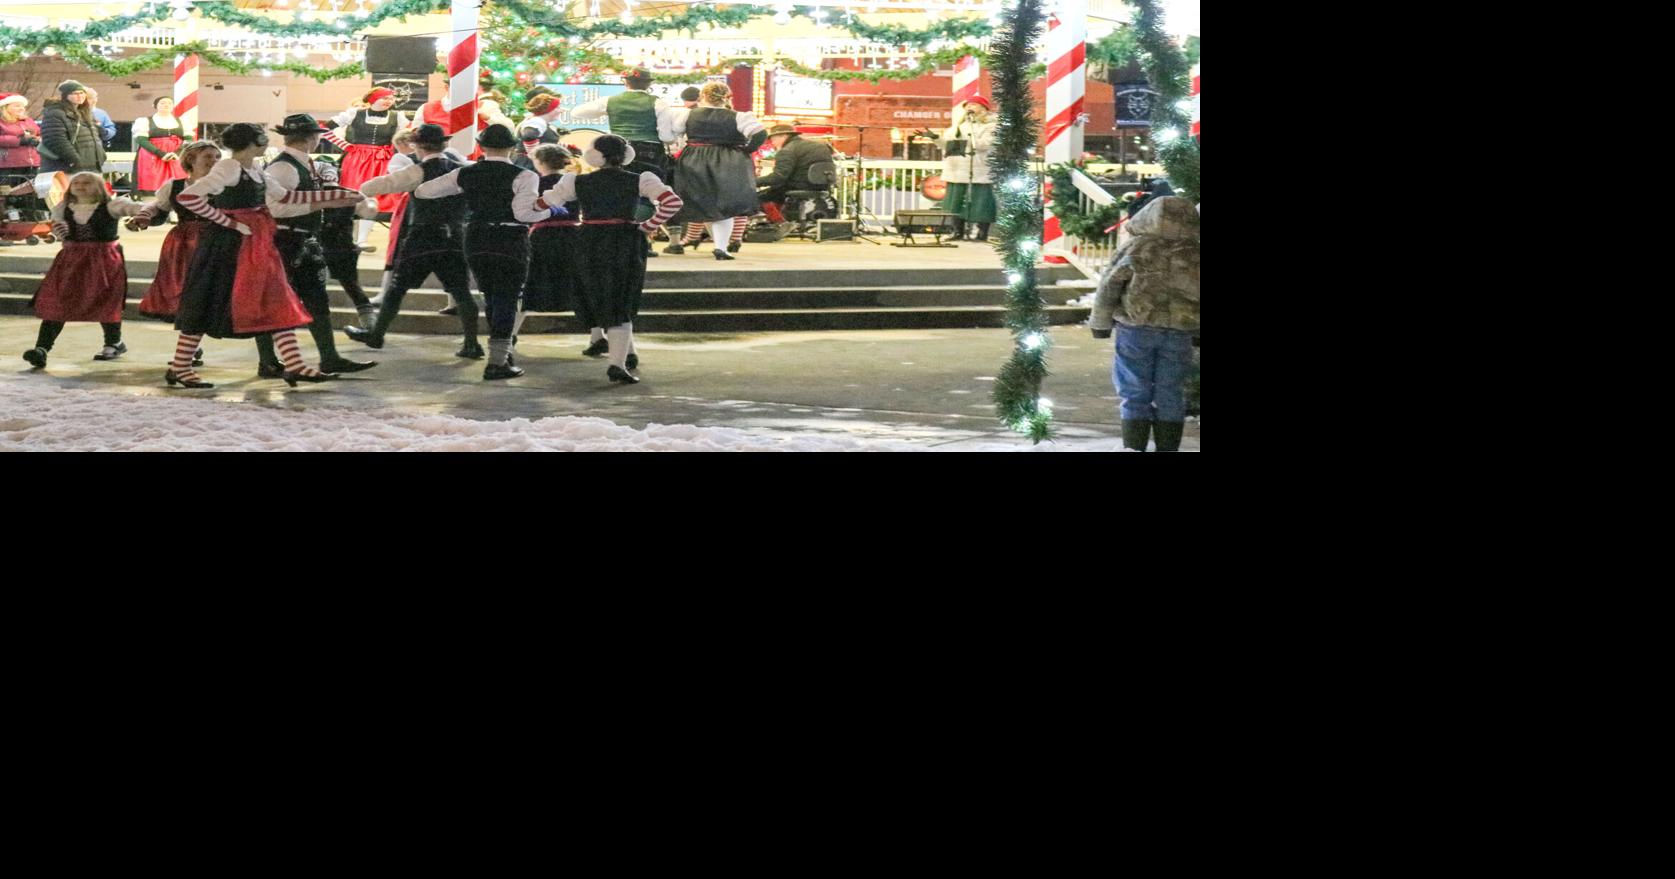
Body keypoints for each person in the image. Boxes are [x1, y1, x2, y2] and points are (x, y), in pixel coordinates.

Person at [167, 122, 364, 389]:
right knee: (209, 300)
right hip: (229, 246)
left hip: (255, 243)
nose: (267, 141)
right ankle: (180, 365)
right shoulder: (229, 167)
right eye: (262, 137)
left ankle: (293, 364)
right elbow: (189, 197)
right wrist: (229, 222)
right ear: (253, 142)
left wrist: (336, 196)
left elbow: (286, 197)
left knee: (277, 298)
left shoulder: (255, 169)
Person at [537, 134, 683, 384]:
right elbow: (672, 202)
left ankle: (613, 348)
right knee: (622, 298)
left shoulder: (576, 181)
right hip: (625, 240)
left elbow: (545, 203)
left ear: (593, 156)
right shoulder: (641, 179)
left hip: (588, 240)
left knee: (595, 294)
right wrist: (648, 225)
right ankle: (619, 362)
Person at [413, 123, 550, 380]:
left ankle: (501, 353)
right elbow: (523, 213)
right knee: (507, 297)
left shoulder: (466, 173)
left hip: (475, 237)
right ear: (512, 147)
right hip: (510, 238)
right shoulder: (525, 176)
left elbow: (423, 191)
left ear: (481, 146)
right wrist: (548, 210)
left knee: (491, 296)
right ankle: (498, 361)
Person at [259, 113, 379, 377]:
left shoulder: (301, 163)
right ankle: (268, 361)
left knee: (317, 299)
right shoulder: (284, 167)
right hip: (285, 240)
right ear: (312, 138)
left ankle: (329, 357)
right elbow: (274, 208)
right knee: (276, 302)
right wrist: (324, 202)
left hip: (302, 239)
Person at [349, 123, 483, 360]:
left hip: (421, 237)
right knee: (461, 291)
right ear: (445, 144)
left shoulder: (416, 172)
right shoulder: (465, 170)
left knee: (397, 288)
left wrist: (357, 193)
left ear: (417, 146)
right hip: (453, 237)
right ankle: (472, 343)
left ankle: (377, 334)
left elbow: (375, 186)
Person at [1089, 196, 1199, 452]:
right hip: (1179, 331)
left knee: (1133, 389)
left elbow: (1110, 285)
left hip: (1136, 328)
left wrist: (1101, 322)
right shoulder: (1195, 252)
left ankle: (1133, 446)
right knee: (1171, 391)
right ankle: (1168, 447)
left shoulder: (1136, 247)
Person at [19, 172, 148, 370]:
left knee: (105, 300)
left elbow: (141, 208)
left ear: (99, 187)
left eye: (87, 182)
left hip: (103, 259)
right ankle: (41, 349)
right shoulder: (63, 207)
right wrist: (57, 229)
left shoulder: (112, 206)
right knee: (59, 300)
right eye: (76, 183)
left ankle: (113, 342)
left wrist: (142, 216)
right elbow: (56, 224)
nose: (80, 186)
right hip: (71, 259)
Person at [129, 141, 224, 363]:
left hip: (215, 240)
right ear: (191, 160)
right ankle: (190, 347)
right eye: (208, 157)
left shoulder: (224, 185)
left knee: (206, 293)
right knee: (185, 294)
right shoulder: (175, 185)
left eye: (217, 157)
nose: (214, 161)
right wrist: (144, 216)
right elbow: (159, 209)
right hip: (183, 244)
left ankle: (190, 346)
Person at [664, 82, 765, 259]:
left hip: (694, 158)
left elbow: (674, 134)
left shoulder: (688, 114)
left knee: (702, 201)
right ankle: (721, 247)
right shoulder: (739, 116)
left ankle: (697, 239)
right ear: (727, 97)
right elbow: (760, 134)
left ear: (702, 96)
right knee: (722, 204)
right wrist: (746, 150)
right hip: (727, 159)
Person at [521, 144, 590, 357]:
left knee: (531, 284)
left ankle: (510, 334)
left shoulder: (535, 183)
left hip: (543, 236)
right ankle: (598, 336)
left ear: (540, 162)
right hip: (573, 235)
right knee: (580, 285)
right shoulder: (577, 182)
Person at [323, 87, 411, 250]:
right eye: (385, 98)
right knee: (354, 196)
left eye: (391, 99)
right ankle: (349, 238)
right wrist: (345, 145)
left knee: (375, 198)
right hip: (357, 161)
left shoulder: (397, 117)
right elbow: (324, 130)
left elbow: (408, 135)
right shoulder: (354, 113)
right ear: (373, 99)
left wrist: (400, 152)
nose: (389, 101)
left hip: (383, 160)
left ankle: (362, 239)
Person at [919, 96, 996, 241]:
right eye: (967, 105)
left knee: (981, 201)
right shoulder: (957, 127)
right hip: (956, 169)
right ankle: (956, 231)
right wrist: (935, 137)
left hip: (979, 169)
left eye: (973, 104)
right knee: (955, 201)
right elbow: (947, 146)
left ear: (984, 108)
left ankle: (981, 232)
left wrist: (966, 139)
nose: (969, 107)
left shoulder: (992, 126)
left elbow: (985, 144)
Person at [755, 123, 834, 227]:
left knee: (757, 198)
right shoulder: (819, 146)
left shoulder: (787, 150)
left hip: (800, 185)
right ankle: (781, 222)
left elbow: (778, 177)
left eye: (773, 139)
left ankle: (780, 224)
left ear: (783, 136)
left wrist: (753, 182)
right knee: (776, 193)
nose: (772, 143)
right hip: (822, 185)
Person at [38, 80, 105, 177]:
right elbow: (55, 140)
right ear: (65, 96)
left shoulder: (85, 113)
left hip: (91, 167)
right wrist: (75, 160)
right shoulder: (55, 113)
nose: (80, 96)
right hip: (67, 168)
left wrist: (101, 156)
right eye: (75, 93)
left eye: (82, 93)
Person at [131, 95, 189, 196]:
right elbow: (141, 139)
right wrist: (161, 154)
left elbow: (189, 139)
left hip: (176, 157)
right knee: (152, 182)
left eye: (169, 103)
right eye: (162, 103)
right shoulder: (145, 121)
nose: (166, 105)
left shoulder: (182, 121)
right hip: (152, 156)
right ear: (155, 105)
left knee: (178, 184)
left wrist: (178, 153)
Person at [0, 92, 42, 181]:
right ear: (5, 107)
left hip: (32, 164)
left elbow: (39, 133)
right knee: (9, 193)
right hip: (8, 165)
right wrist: (19, 140)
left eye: (22, 106)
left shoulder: (28, 120)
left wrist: (38, 139)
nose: (21, 108)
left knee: (30, 193)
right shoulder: (1, 122)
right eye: (17, 106)